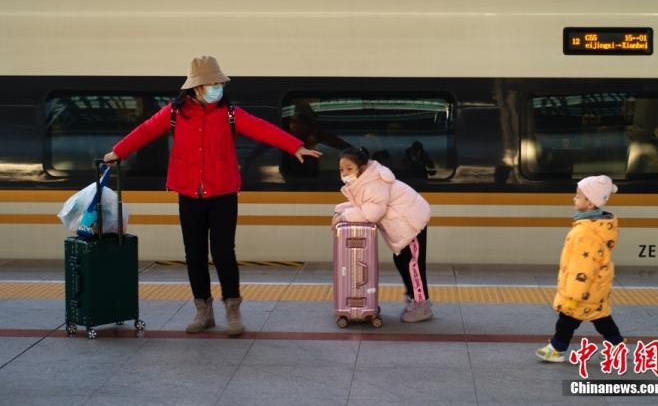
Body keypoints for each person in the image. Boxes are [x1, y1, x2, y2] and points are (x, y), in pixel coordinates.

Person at [103, 55, 321, 336]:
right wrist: (118, 151)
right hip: (188, 193)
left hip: (223, 193)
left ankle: (232, 309)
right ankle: (203, 311)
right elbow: (146, 131)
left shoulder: (230, 113)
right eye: (213, 84)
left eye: (219, 83)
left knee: (223, 252)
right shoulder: (174, 113)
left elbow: (262, 129)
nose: (218, 87)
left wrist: (295, 146)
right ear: (197, 88)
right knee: (194, 254)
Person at [331, 147, 432, 322]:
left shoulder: (373, 182)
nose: (344, 173)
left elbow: (372, 213)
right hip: (403, 222)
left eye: (349, 168)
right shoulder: (365, 180)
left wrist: (343, 216)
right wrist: (340, 211)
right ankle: (413, 298)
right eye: (341, 169)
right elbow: (364, 204)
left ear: (362, 168)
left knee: (411, 264)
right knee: (403, 262)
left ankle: (422, 306)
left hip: (411, 222)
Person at [536, 175, 625, 362]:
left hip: (582, 291)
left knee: (567, 320)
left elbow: (582, 267)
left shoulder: (585, 232)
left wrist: (573, 296)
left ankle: (557, 349)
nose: (573, 199)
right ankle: (616, 346)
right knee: (601, 318)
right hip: (595, 287)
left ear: (590, 203)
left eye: (578, 196)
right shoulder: (596, 227)